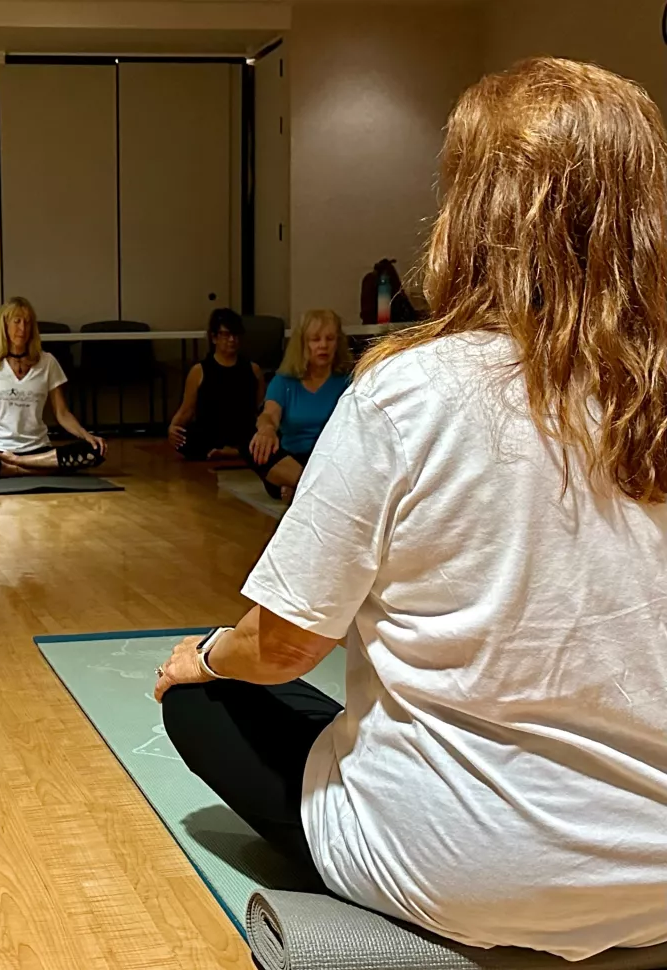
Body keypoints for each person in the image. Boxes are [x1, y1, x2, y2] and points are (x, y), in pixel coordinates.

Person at [154, 57, 667, 960]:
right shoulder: (652, 394)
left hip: (455, 874)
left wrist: (202, 658)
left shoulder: (409, 390)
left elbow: (283, 649)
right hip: (655, 887)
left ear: (475, 209)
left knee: (204, 701)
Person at [0, 297, 105, 479]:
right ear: (4, 326)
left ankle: (16, 464)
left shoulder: (48, 362)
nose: (23, 329)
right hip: (0, 449)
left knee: (95, 451)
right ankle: (37, 468)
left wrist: (87, 436)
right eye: (17, 322)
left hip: (39, 450)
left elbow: (62, 413)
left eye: (28, 323)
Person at [249, 309, 352, 501]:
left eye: (330, 339)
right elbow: (270, 414)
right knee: (253, 442)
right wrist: (267, 430)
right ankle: (313, 488)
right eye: (315, 339)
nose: (323, 346)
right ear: (303, 344)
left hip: (331, 460)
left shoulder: (348, 382)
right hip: (291, 461)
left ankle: (301, 489)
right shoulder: (284, 381)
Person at [168, 309, 265, 461]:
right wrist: (173, 428)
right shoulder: (199, 371)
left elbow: (261, 408)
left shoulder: (253, 369)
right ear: (214, 338)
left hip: (242, 430)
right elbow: (187, 409)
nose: (232, 340)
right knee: (187, 439)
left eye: (235, 335)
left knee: (263, 439)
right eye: (226, 335)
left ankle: (236, 451)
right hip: (210, 431)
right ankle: (234, 451)